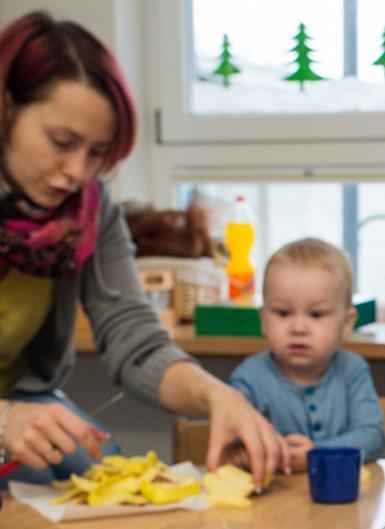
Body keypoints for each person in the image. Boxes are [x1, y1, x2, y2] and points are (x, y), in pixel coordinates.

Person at [0, 12, 288, 490]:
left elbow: (134, 338)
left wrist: (218, 397)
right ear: (6, 109)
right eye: (62, 142)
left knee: (103, 464)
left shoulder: (90, 212)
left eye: (96, 153)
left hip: (26, 404)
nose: (77, 171)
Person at [228, 238, 385, 473]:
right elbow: (236, 440)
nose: (299, 328)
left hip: (343, 501)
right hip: (274, 501)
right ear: (263, 319)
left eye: (316, 314)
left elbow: (373, 437)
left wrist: (316, 453)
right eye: (283, 313)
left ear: (346, 323)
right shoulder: (249, 378)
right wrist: (245, 452)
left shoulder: (353, 370)